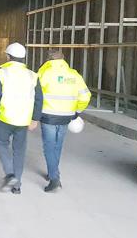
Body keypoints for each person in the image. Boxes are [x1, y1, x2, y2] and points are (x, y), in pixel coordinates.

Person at [0, 42, 43, 194]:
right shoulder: (33, 75)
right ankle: (17, 185)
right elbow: (39, 99)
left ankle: (10, 173)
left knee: (1, 144)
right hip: (24, 120)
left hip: (5, 118)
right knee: (19, 151)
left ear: (8, 57)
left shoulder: (1, 73)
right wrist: (35, 119)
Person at [37, 49, 91, 192]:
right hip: (66, 116)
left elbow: (35, 95)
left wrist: (33, 114)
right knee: (58, 145)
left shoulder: (44, 73)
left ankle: (55, 179)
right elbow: (85, 96)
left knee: (49, 146)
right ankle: (52, 171)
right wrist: (76, 111)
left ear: (49, 60)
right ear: (63, 59)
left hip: (48, 116)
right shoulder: (74, 75)